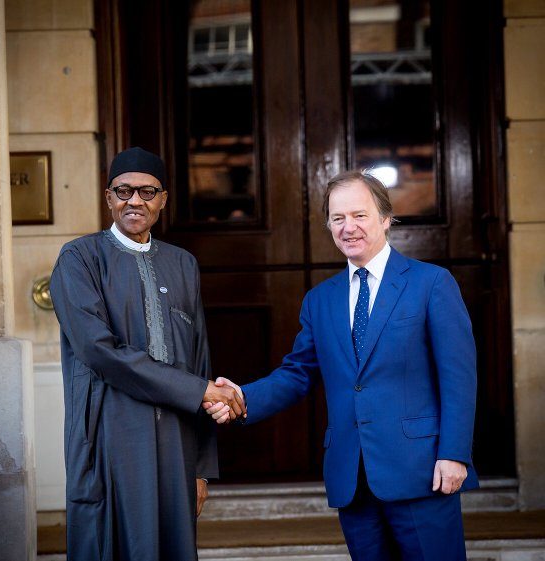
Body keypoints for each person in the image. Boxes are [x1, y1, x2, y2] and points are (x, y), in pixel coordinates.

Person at [205, 171, 478, 561]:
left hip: (423, 472)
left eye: (360, 215)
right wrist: (241, 397)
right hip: (352, 478)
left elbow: (459, 379)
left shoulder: (431, 283)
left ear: (385, 218)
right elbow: (298, 373)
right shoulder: (321, 300)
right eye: (338, 218)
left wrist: (454, 454)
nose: (348, 227)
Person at [50, 147, 245, 561]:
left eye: (146, 192)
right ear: (108, 198)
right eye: (123, 191)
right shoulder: (79, 259)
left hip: (176, 443)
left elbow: (199, 361)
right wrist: (200, 390)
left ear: (163, 200)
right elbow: (98, 352)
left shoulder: (182, 264)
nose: (134, 201)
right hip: (110, 434)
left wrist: (200, 469)